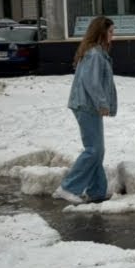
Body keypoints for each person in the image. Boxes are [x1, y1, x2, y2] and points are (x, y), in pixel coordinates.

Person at [55, 16, 118, 205]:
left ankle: (97, 191)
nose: (112, 37)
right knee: (93, 150)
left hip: (87, 105)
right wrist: (102, 104)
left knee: (97, 150)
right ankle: (67, 187)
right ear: (101, 33)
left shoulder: (96, 52)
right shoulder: (94, 54)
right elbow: (92, 83)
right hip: (86, 105)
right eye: (110, 32)